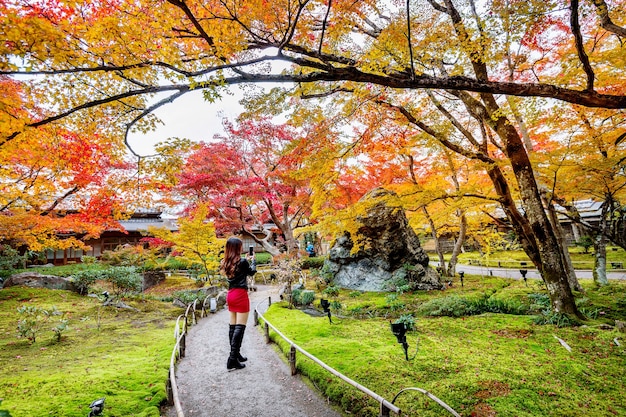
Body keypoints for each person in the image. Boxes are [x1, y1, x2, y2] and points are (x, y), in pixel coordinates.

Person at [220, 237, 256, 370]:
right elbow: (251, 273)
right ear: (237, 248)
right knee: (240, 327)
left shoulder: (225, 262)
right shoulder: (242, 262)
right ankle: (232, 359)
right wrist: (253, 261)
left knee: (233, 326)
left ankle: (236, 354)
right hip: (240, 295)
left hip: (231, 295)